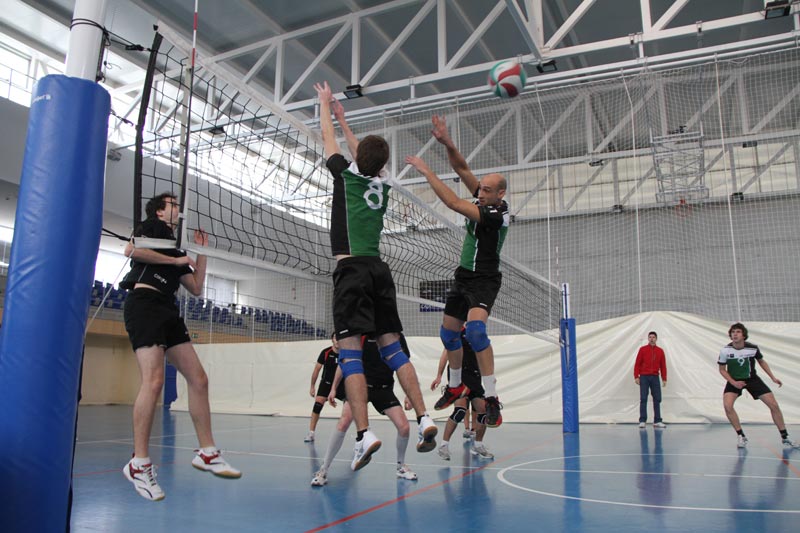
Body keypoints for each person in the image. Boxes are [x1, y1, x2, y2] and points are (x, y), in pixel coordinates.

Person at [314, 81, 437, 471]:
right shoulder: (382, 186)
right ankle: (424, 418)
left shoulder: (346, 178)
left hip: (351, 270)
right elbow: (360, 154)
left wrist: (326, 108)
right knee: (393, 350)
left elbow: (328, 142)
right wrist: (345, 119)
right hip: (380, 271)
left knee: (349, 354)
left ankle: (364, 433)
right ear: (382, 165)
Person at [119, 193, 241, 501]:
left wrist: (201, 253)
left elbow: (197, 289)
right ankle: (139, 463)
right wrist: (175, 259)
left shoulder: (176, 246)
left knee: (199, 379)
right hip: (144, 303)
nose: (178, 208)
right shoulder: (153, 227)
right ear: (161, 211)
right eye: (172, 204)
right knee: (155, 381)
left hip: (168, 308)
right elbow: (131, 250)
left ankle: (207, 453)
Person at [405, 114, 509, 428]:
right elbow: (463, 170)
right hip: (463, 275)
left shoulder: (496, 214)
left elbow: (452, 203)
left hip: (484, 280)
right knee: (448, 334)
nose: (480, 191)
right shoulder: (484, 197)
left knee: (475, 332)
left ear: (499, 195)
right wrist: (448, 142)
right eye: (482, 188)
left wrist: (426, 171)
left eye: (486, 189)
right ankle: (454, 386)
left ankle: (491, 397)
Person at [311, 336, 419, 486]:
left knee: (404, 427)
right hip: (360, 386)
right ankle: (323, 470)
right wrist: (334, 388)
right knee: (344, 422)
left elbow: (404, 365)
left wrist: (409, 394)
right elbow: (344, 363)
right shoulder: (360, 335)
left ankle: (401, 467)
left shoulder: (395, 335)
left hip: (384, 389)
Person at [718, 322, 798, 449]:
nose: (735, 334)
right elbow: (722, 369)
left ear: (744, 335)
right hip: (734, 381)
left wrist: (773, 377)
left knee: (774, 405)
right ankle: (741, 436)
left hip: (752, 380)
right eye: (733, 332)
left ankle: (785, 437)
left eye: (738, 332)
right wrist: (733, 382)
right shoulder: (725, 350)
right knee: (727, 406)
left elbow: (761, 361)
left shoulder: (752, 348)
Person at [431, 330, 493, 461]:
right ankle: (444, 446)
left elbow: (483, 357)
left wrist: (489, 377)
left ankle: (478, 445)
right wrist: (439, 376)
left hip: (475, 375)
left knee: (483, 411)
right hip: (459, 375)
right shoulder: (456, 332)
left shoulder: (478, 333)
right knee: (460, 411)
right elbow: (445, 355)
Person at [305, 334, 341, 443]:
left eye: (340, 338)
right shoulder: (326, 353)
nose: (338, 341)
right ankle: (311, 433)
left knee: (353, 406)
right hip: (326, 384)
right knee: (317, 405)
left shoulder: (346, 353)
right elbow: (317, 370)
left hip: (342, 385)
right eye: (336, 338)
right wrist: (312, 386)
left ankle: (362, 433)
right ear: (332, 340)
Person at [633, 331, 668, 428]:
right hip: (644, 377)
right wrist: (636, 376)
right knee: (643, 398)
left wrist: (664, 378)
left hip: (655, 377)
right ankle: (642, 420)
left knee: (657, 399)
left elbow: (663, 366)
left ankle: (657, 420)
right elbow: (637, 364)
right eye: (650, 337)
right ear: (648, 339)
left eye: (653, 337)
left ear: (656, 339)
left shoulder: (660, 351)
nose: (652, 339)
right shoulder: (642, 350)